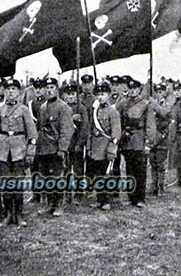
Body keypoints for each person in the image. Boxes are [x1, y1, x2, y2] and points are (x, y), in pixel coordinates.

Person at [0, 78, 37, 227]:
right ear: (4, 91)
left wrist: (30, 153)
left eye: (14, 89)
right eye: (8, 89)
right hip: (3, 151)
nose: (11, 92)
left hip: (19, 151)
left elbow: (33, 135)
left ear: (19, 92)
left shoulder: (23, 110)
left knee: (17, 184)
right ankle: (9, 213)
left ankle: (19, 214)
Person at [37, 78, 74, 217]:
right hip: (44, 148)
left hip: (56, 148)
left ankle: (59, 204)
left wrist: (62, 149)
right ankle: (49, 202)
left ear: (57, 89)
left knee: (57, 177)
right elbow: (40, 128)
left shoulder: (64, 107)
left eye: (52, 87)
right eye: (46, 87)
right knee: (46, 177)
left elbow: (67, 129)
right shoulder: (42, 107)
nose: (49, 90)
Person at [119, 80, 156, 207]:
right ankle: (131, 197)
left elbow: (150, 125)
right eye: (130, 88)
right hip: (127, 141)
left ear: (139, 89)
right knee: (129, 170)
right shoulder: (124, 104)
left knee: (140, 170)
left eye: (135, 88)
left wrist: (148, 143)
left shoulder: (146, 104)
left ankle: (140, 198)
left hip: (139, 140)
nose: (133, 90)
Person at [86, 82, 121, 211]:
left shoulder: (113, 112)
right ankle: (99, 199)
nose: (100, 97)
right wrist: (89, 147)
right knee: (98, 174)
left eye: (103, 94)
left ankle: (107, 200)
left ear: (109, 95)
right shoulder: (95, 111)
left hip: (106, 147)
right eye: (98, 95)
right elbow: (90, 130)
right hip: (95, 148)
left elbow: (116, 132)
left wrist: (112, 149)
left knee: (107, 175)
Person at [61, 82, 88, 204]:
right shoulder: (62, 108)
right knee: (65, 169)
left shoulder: (81, 108)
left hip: (76, 143)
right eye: (67, 94)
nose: (70, 97)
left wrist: (79, 143)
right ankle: (66, 192)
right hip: (65, 144)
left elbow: (84, 128)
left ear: (77, 95)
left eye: (72, 94)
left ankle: (78, 193)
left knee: (77, 169)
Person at [149, 83, 172, 196]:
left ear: (164, 92)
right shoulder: (151, 105)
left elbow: (165, 115)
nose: (159, 94)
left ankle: (161, 187)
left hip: (162, 138)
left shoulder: (167, 105)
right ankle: (153, 186)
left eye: (161, 92)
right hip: (153, 137)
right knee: (153, 163)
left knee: (161, 164)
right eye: (157, 92)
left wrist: (154, 106)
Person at [169, 83, 181, 187]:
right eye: (175, 90)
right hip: (178, 134)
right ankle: (179, 180)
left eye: (179, 90)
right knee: (179, 157)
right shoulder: (176, 103)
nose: (177, 92)